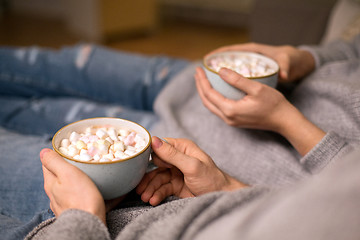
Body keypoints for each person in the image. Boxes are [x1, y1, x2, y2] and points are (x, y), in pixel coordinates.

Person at [0, 33, 359, 239]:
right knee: (40, 71)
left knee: (29, 118)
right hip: (190, 137)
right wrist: (306, 57)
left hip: (107, 214)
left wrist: (84, 222)